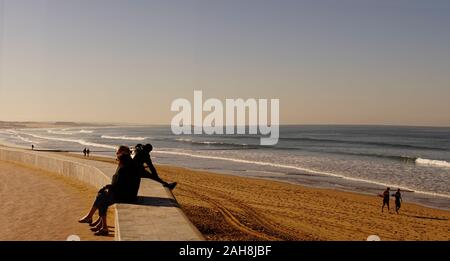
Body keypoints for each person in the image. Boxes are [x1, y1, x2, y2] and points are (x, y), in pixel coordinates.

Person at [78, 145, 140, 236]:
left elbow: (120, 183)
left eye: (117, 152)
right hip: (126, 193)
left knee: (102, 198)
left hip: (126, 195)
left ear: (123, 154)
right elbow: (120, 182)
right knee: (102, 195)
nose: (116, 154)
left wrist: (109, 187)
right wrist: (109, 187)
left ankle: (99, 224)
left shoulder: (125, 165)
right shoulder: (127, 162)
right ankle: (99, 223)